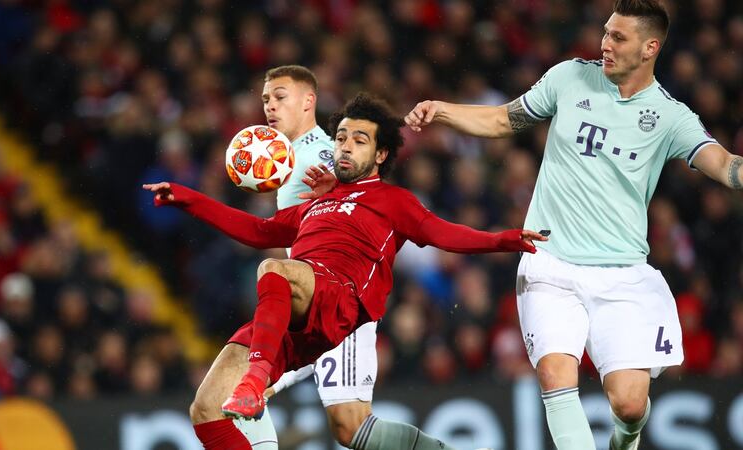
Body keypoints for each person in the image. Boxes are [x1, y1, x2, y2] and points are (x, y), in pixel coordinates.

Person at [404, 1, 743, 449]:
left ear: (650, 48)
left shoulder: (669, 115)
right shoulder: (569, 78)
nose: (605, 44)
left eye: (618, 37)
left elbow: (724, 164)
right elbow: (505, 118)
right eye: (605, 33)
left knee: (629, 405)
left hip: (622, 272)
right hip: (550, 260)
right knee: (554, 372)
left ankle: (625, 438)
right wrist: (441, 111)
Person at [143, 92, 546, 450]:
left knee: (275, 270)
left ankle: (255, 380)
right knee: (206, 409)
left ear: (381, 154)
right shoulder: (315, 203)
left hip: (339, 299)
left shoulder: (393, 201)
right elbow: (258, 231)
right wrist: (187, 198)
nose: (346, 146)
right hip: (289, 316)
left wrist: (504, 239)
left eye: (359, 140)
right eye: (340, 138)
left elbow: (447, 234)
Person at [236, 65, 461, 450]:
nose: (270, 106)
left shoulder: (322, 154)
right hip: (304, 298)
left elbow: (368, 194)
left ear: (308, 101)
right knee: (331, 424)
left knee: (351, 427)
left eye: (280, 97)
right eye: (266, 99)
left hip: (338, 299)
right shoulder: (288, 156)